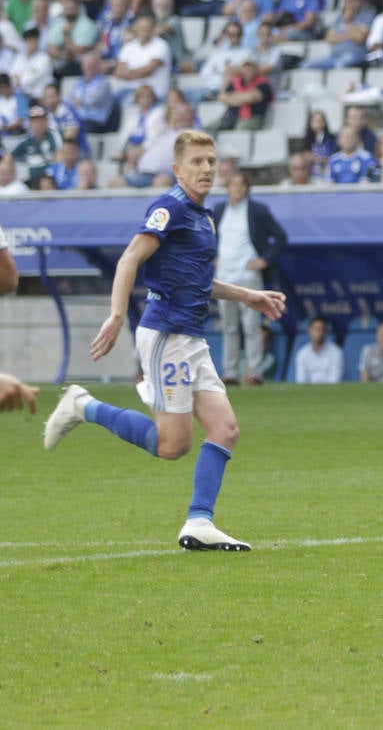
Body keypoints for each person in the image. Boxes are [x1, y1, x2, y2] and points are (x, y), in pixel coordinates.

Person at [43, 131, 286, 551]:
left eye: (211, 160)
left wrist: (248, 295)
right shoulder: (168, 208)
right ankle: (83, 405)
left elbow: (197, 280)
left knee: (225, 430)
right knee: (173, 444)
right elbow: (130, 258)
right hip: (166, 335)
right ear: (178, 169)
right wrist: (117, 314)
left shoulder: (204, 217)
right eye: (197, 161)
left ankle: (199, 522)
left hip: (191, 337)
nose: (207, 168)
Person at [212, 174, 288, 387]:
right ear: (227, 188)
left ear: (247, 188)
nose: (237, 189)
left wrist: (264, 260)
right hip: (224, 276)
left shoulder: (257, 210)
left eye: (241, 185)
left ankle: (254, 372)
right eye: (233, 185)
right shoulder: (219, 210)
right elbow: (210, 238)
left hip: (248, 276)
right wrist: (213, 257)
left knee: (252, 326)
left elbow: (280, 237)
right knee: (229, 326)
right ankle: (230, 372)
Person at [293, 316, 345, 383]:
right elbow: (301, 381)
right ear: (309, 331)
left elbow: (335, 381)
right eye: (316, 329)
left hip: (331, 392)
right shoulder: (302, 353)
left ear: (326, 332)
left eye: (322, 329)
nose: (319, 333)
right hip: (308, 392)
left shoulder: (336, 352)